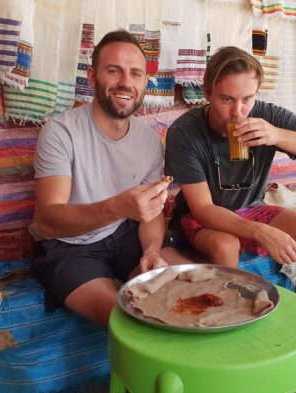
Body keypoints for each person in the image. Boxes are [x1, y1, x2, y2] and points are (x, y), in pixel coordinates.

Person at [30, 30, 188, 328]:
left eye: (135, 74)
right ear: (92, 77)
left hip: (125, 237)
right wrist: (117, 207)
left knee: (194, 286)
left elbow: (151, 214)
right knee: (129, 319)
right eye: (113, 71)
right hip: (68, 247)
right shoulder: (60, 133)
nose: (125, 83)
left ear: (144, 82)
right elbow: (49, 220)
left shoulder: (150, 141)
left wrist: (152, 251)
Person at [165, 46, 296, 273]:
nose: (238, 112)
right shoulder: (184, 133)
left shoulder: (267, 117)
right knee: (225, 245)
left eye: (247, 99)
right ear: (207, 92)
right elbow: (203, 208)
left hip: (251, 208)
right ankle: (227, 307)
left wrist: (277, 135)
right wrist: (261, 232)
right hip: (200, 217)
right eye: (226, 99)